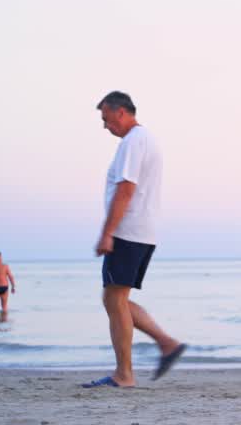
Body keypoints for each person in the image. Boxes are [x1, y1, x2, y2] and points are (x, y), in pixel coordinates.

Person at [82, 91, 186, 389]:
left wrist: (107, 232)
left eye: (106, 119)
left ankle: (124, 375)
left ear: (121, 112)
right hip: (142, 230)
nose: (105, 126)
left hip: (128, 231)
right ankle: (167, 344)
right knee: (115, 298)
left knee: (114, 299)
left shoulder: (133, 141)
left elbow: (126, 190)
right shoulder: (143, 140)